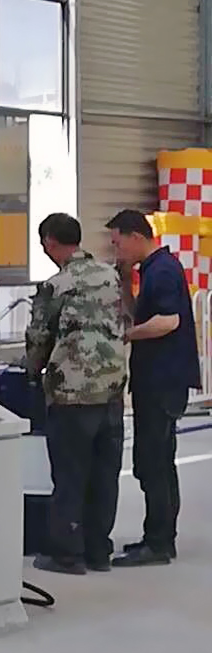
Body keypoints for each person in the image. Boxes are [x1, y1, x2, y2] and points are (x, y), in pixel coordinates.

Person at [25, 212, 127, 576]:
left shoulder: (56, 286)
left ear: (50, 242)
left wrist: (31, 371)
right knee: (105, 473)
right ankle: (99, 551)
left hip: (72, 394)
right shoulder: (110, 276)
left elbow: (39, 340)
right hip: (112, 390)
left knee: (70, 474)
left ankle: (67, 554)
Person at [107, 209, 201, 567]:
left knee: (153, 462)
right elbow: (143, 315)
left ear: (136, 236)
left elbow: (167, 321)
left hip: (163, 380)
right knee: (158, 460)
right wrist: (123, 284)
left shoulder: (162, 270)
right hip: (156, 380)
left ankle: (159, 542)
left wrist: (126, 336)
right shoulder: (150, 269)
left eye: (118, 243)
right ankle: (159, 537)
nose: (116, 251)